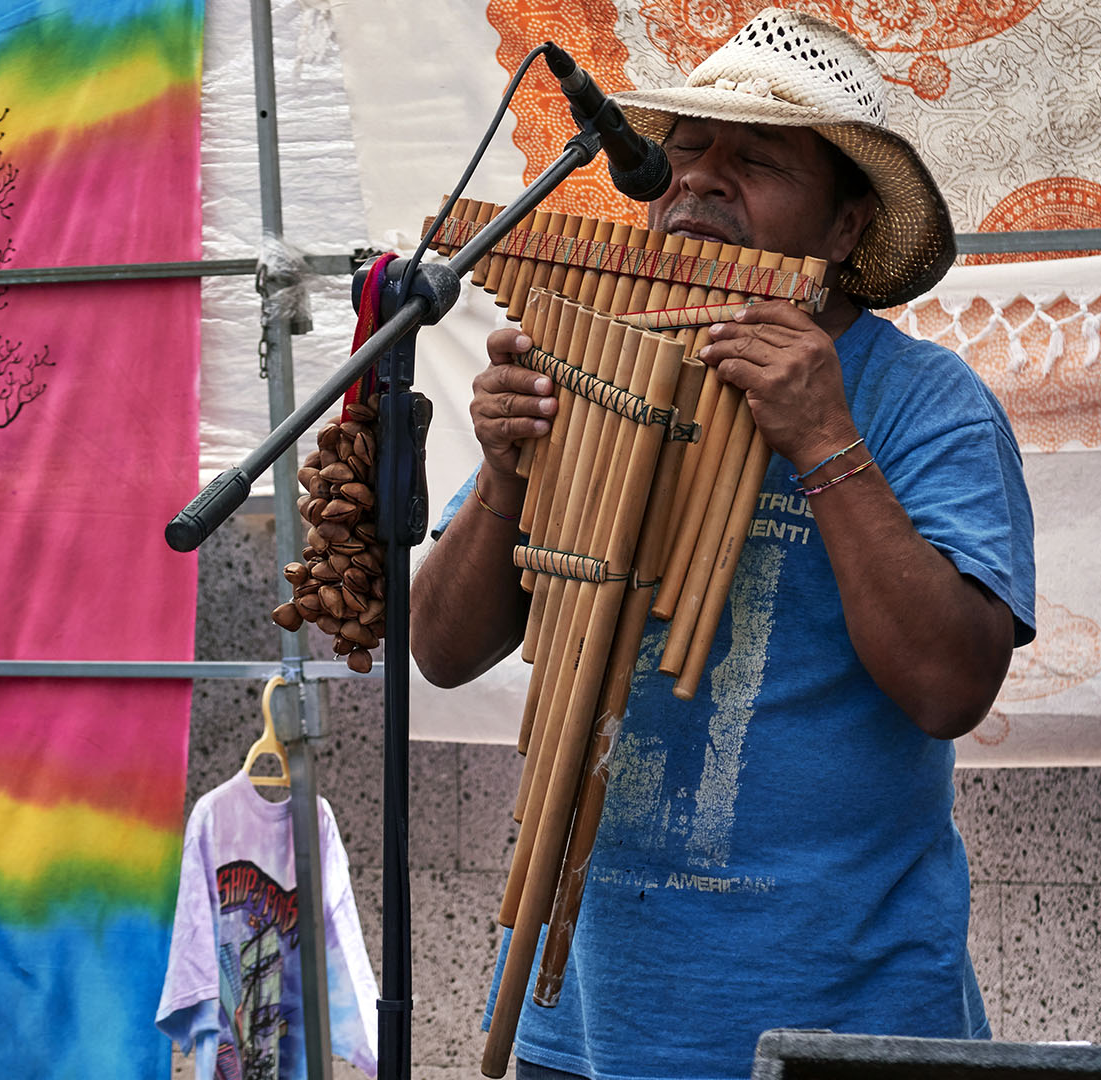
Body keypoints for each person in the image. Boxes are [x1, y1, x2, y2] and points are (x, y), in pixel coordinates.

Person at [410, 9, 1037, 1079]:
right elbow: (442, 648)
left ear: (843, 231)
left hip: (842, 1023)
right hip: (584, 1011)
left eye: (754, 159)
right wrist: (509, 478)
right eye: (685, 152)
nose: (697, 183)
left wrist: (826, 442)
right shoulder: (588, 359)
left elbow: (949, 688)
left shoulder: (930, 406)